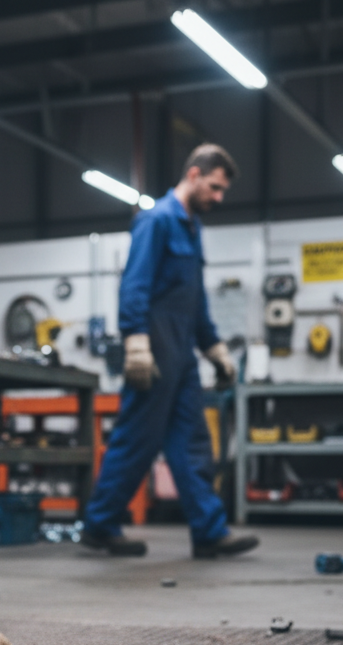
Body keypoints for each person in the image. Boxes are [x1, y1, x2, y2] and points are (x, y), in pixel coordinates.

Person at [82, 143, 259, 559]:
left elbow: (194, 301)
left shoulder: (192, 229)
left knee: (193, 441)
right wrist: (136, 341)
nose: (219, 198)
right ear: (194, 174)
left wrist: (214, 348)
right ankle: (100, 525)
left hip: (182, 356)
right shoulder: (157, 221)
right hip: (155, 350)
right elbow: (135, 284)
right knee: (136, 440)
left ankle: (209, 532)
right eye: (215, 187)